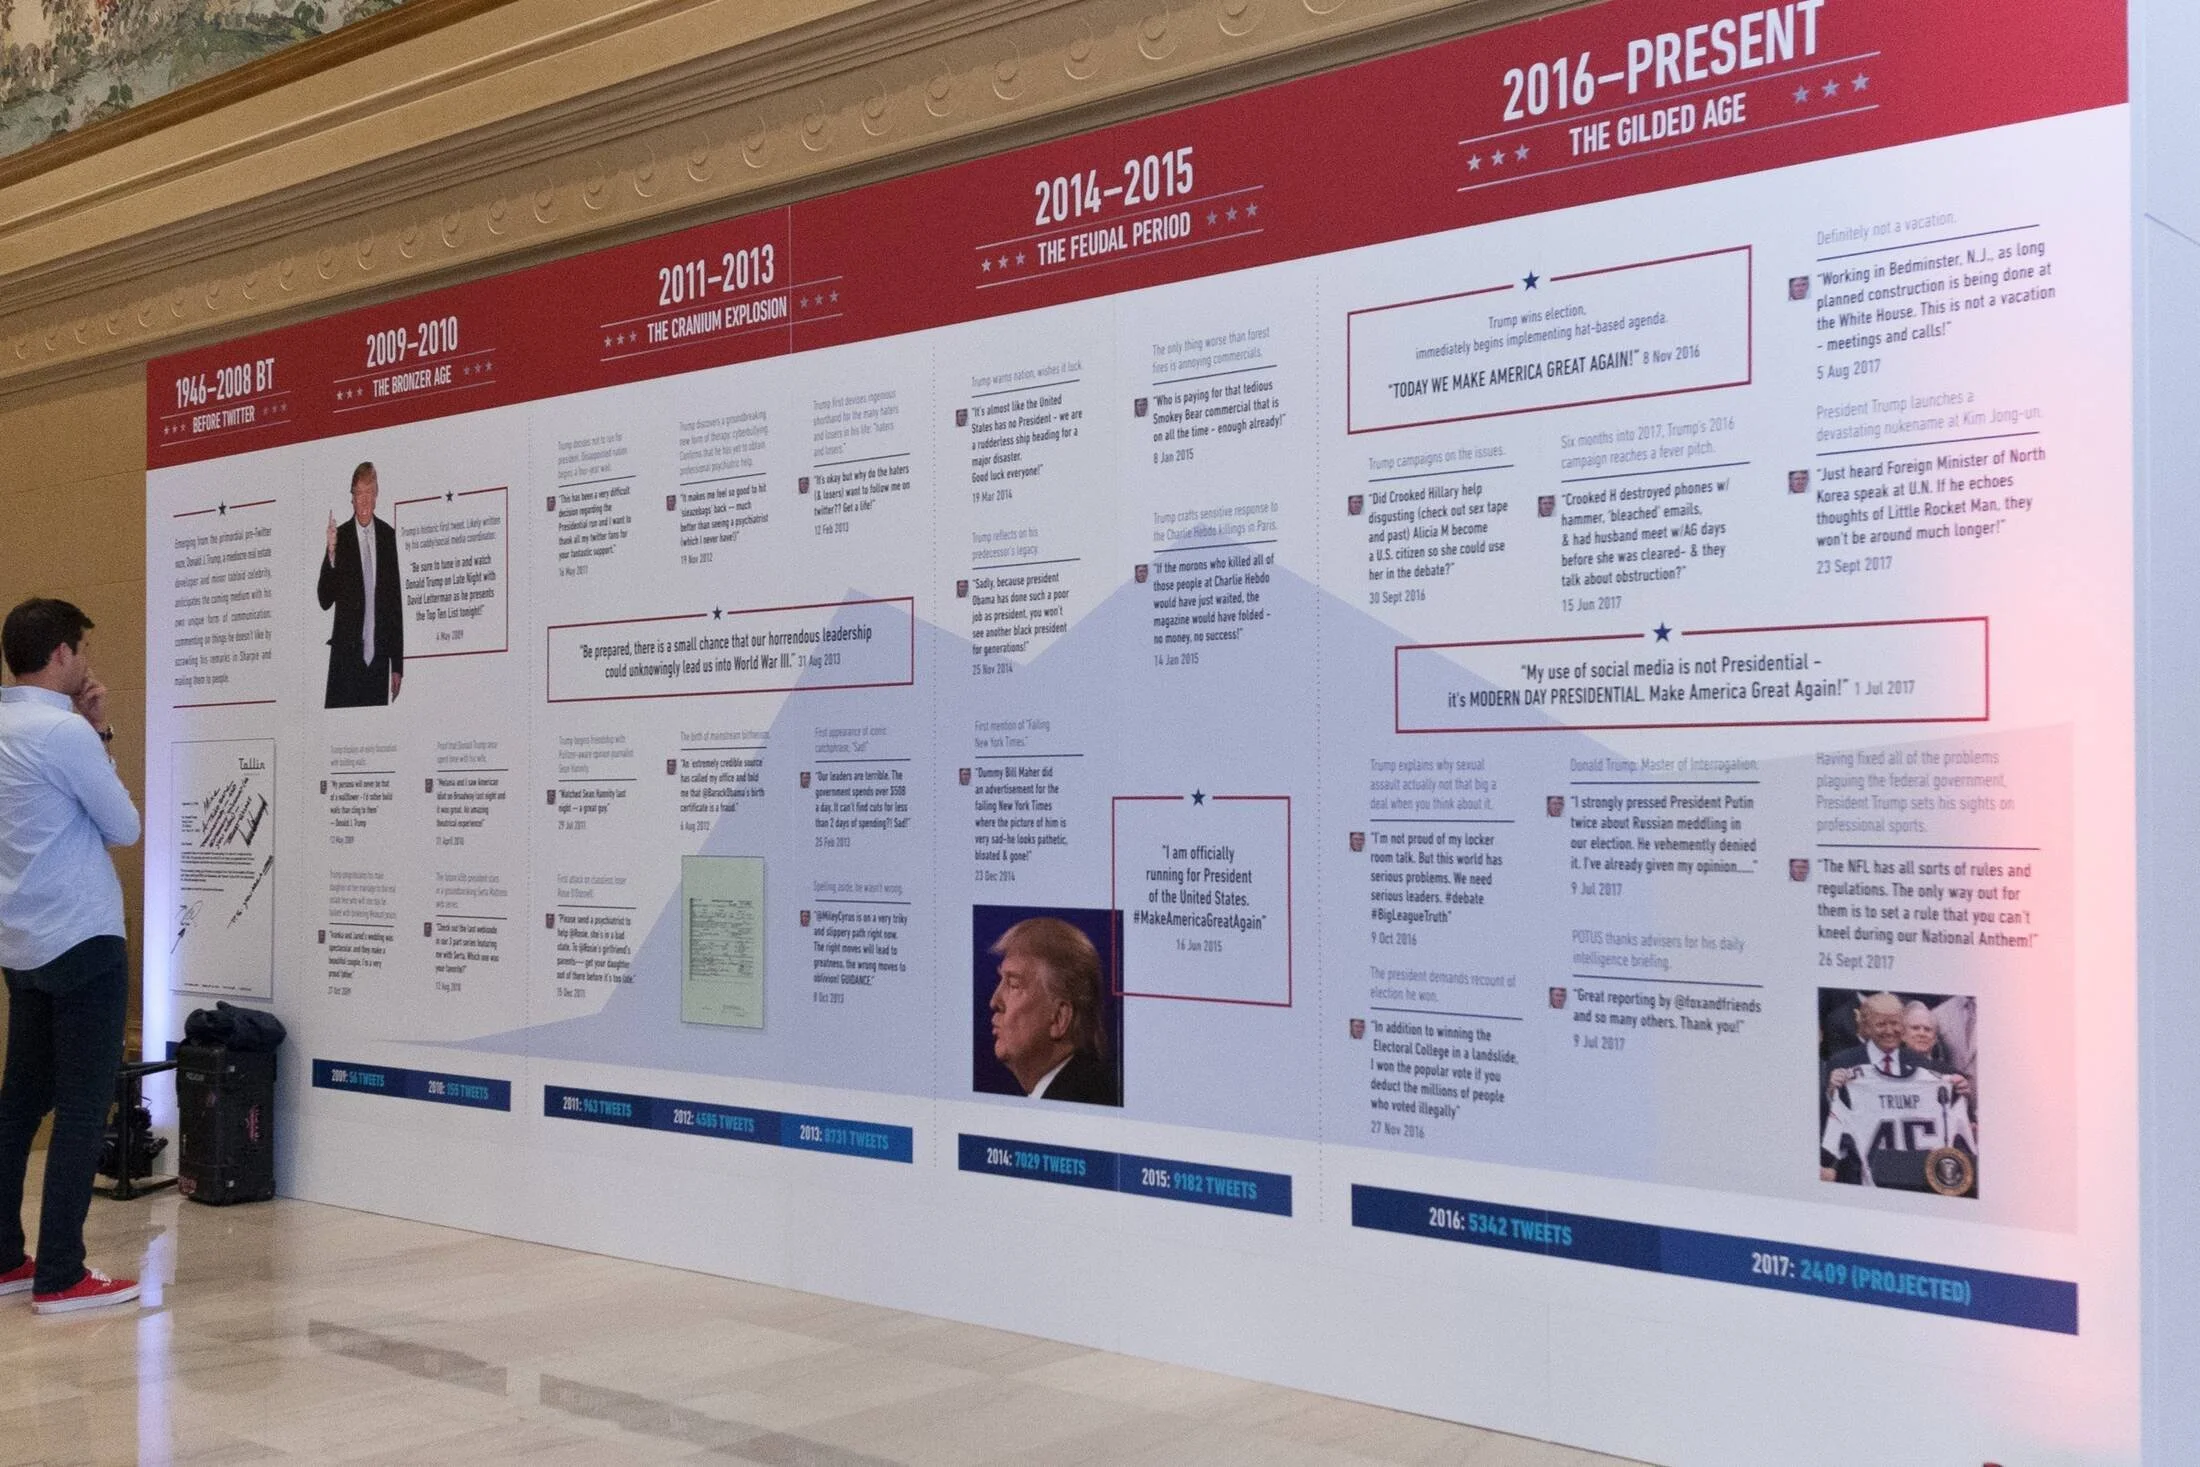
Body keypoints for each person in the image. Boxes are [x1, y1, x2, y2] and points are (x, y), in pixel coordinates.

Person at [0, 599, 142, 1313]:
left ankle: (5, 1258)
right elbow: (124, 824)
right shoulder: (62, 732)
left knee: (19, 1105)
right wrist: (98, 730)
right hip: (84, 940)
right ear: (60, 653)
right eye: (80, 648)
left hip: (21, 944)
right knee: (83, 1108)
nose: (86, 661)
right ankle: (61, 1272)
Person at [986, 918, 1119, 1106]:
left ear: (1059, 1018)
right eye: (1001, 981)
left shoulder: (1083, 1102)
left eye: (1013, 985)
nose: (994, 1001)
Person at [317, 461, 405, 708]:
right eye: (359, 494)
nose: (364, 501)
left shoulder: (388, 536)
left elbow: (395, 603)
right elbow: (324, 599)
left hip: (378, 663)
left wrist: (397, 665)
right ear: (352, 498)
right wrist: (331, 552)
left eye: (369, 493)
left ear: (376, 496)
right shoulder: (340, 537)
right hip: (345, 662)